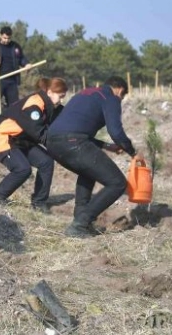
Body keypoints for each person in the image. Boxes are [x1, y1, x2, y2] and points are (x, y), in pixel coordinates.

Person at [45, 76, 142, 238]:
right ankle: (80, 224)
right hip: (73, 141)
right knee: (117, 183)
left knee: (88, 172)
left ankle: (80, 218)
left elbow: (75, 128)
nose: (121, 100)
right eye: (123, 97)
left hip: (53, 143)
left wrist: (107, 146)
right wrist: (133, 152)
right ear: (120, 90)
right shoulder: (111, 97)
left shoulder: (86, 93)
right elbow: (116, 132)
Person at [0, 77, 68, 212]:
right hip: (2, 138)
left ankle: (39, 203)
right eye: (61, 96)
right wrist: (60, 148)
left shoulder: (48, 105)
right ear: (50, 92)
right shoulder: (34, 105)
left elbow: (64, 117)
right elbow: (39, 133)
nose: (61, 100)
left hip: (20, 140)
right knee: (22, 169)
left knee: (46, 161)